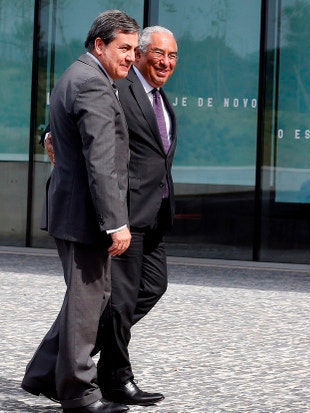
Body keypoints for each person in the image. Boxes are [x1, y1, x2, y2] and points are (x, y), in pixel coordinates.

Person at [41, 26, 179, 407]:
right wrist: (49, 136)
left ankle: (52, 364)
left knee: (149, 288)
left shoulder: (159, 97)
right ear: (139, 54)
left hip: (154, 212)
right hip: (124, 213)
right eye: (157, 53)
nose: (165, 62)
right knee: (116, 302)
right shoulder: (116, 84)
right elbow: (80, 123)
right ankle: (113, 377)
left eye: (172, 56)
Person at [20, 10, 139, 413]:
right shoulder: (92, 83)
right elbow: (100, 161)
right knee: (87, 304)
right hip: (84, 216)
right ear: (99, 45)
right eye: (124, 48)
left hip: (73, 211)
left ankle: (43, 374)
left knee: (87, 299)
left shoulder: (77, 75)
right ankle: (78, 394)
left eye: (134, 49)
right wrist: (116, 222)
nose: (131, 57)